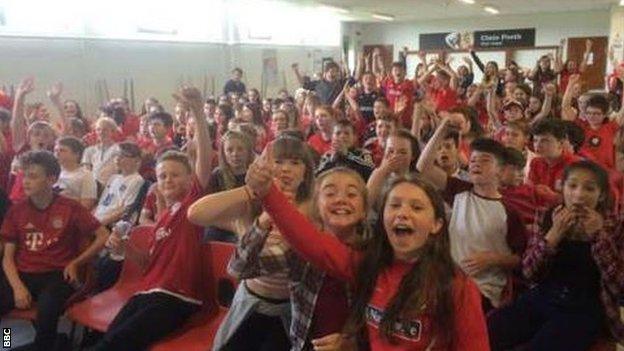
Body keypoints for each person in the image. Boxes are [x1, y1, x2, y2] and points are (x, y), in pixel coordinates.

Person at [246, 151, 489, 349]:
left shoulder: (456, 286)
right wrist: (268, 192)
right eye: (394, 205)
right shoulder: (368, 265)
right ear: (382, 218)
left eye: (416, 207)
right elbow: (310, 242)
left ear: (436, 224)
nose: (403, 212)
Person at [93, 86, 213, 351]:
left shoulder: (191, 207)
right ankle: (6, 340)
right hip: (147, 292)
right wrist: (126, 250)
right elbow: (148, 263)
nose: (168, 179)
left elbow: (204, 159)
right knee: (108, 339)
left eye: (175, 174)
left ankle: (7, 342)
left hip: (175, 298)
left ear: (189, 179)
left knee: (113, 344)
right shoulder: (161, 218)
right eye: (162, 176)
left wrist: (197, 111)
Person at [188, 135, 315, 351]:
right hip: (249, 303)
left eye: (295, 163)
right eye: (279, 161)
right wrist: (251, 189)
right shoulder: (251, 207)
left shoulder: (313, 209)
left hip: (291, 310)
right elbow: (195, 213)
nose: (285, 169)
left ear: (306, 173)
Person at [488, 161, 624, 350]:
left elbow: (620, 287)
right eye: (573, 186)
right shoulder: (546, 216)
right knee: (489, 331)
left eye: (589, 189)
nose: (579, 195)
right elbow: (529, 272)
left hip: (585, 307)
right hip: (543, 297)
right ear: (563, 188)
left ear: (601, 196)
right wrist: (554, 234)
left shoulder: (614, 224)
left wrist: (599, 237)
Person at [0, 150, 109, 351]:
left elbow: (103, 235)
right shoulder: (17, 210)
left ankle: (47, 345)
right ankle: (6, 344)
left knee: (47, 312)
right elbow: (7, 257)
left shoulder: (70, 207)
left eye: (33, 176)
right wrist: (17, 287)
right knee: (6, 316)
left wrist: (77, 262)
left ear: (51, 179)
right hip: (23, 273)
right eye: (24, 176)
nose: (25, 182)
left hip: (56, 275)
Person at [418, 118, 527, 309]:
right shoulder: (460, 191)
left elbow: (521, 258)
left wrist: (493, 259)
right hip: (447, 282)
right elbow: (423, 167)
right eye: (473, 160)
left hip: (484, 291)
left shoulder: (509, 212)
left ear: (500, 171)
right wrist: (442, 129)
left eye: (484, 161)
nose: (476, 164)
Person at [93, 142, 145, 227]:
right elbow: (101, 203)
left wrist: (99, 223)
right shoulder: (113, 178)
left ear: (137, 160)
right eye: (116, 155)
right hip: (98, 219)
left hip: (111, 224)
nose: (117, 158)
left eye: (123, 156)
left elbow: (126, 209)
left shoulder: (137, 180)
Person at [528, 118, 581, 193]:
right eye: (535, 140)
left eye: (545, 141)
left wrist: (554, 198)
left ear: (561, 143)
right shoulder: (535, 162)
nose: (537, 145)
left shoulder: (576, 165)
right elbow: (531, 192)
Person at [53, 136, 97, 209]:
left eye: (62, 150)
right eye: (55, 150)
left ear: (76, 154)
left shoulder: (86, 175)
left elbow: (86, 205)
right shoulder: (53, 172)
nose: (57, 154)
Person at [82, 117, 120, 186]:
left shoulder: (118, 150)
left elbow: (115, 170)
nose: (101, 132)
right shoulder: (89, 151)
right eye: (98, 129)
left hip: (111, 186)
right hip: (92, 187)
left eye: (105, 129)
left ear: (113, 131)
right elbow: (86, 172)